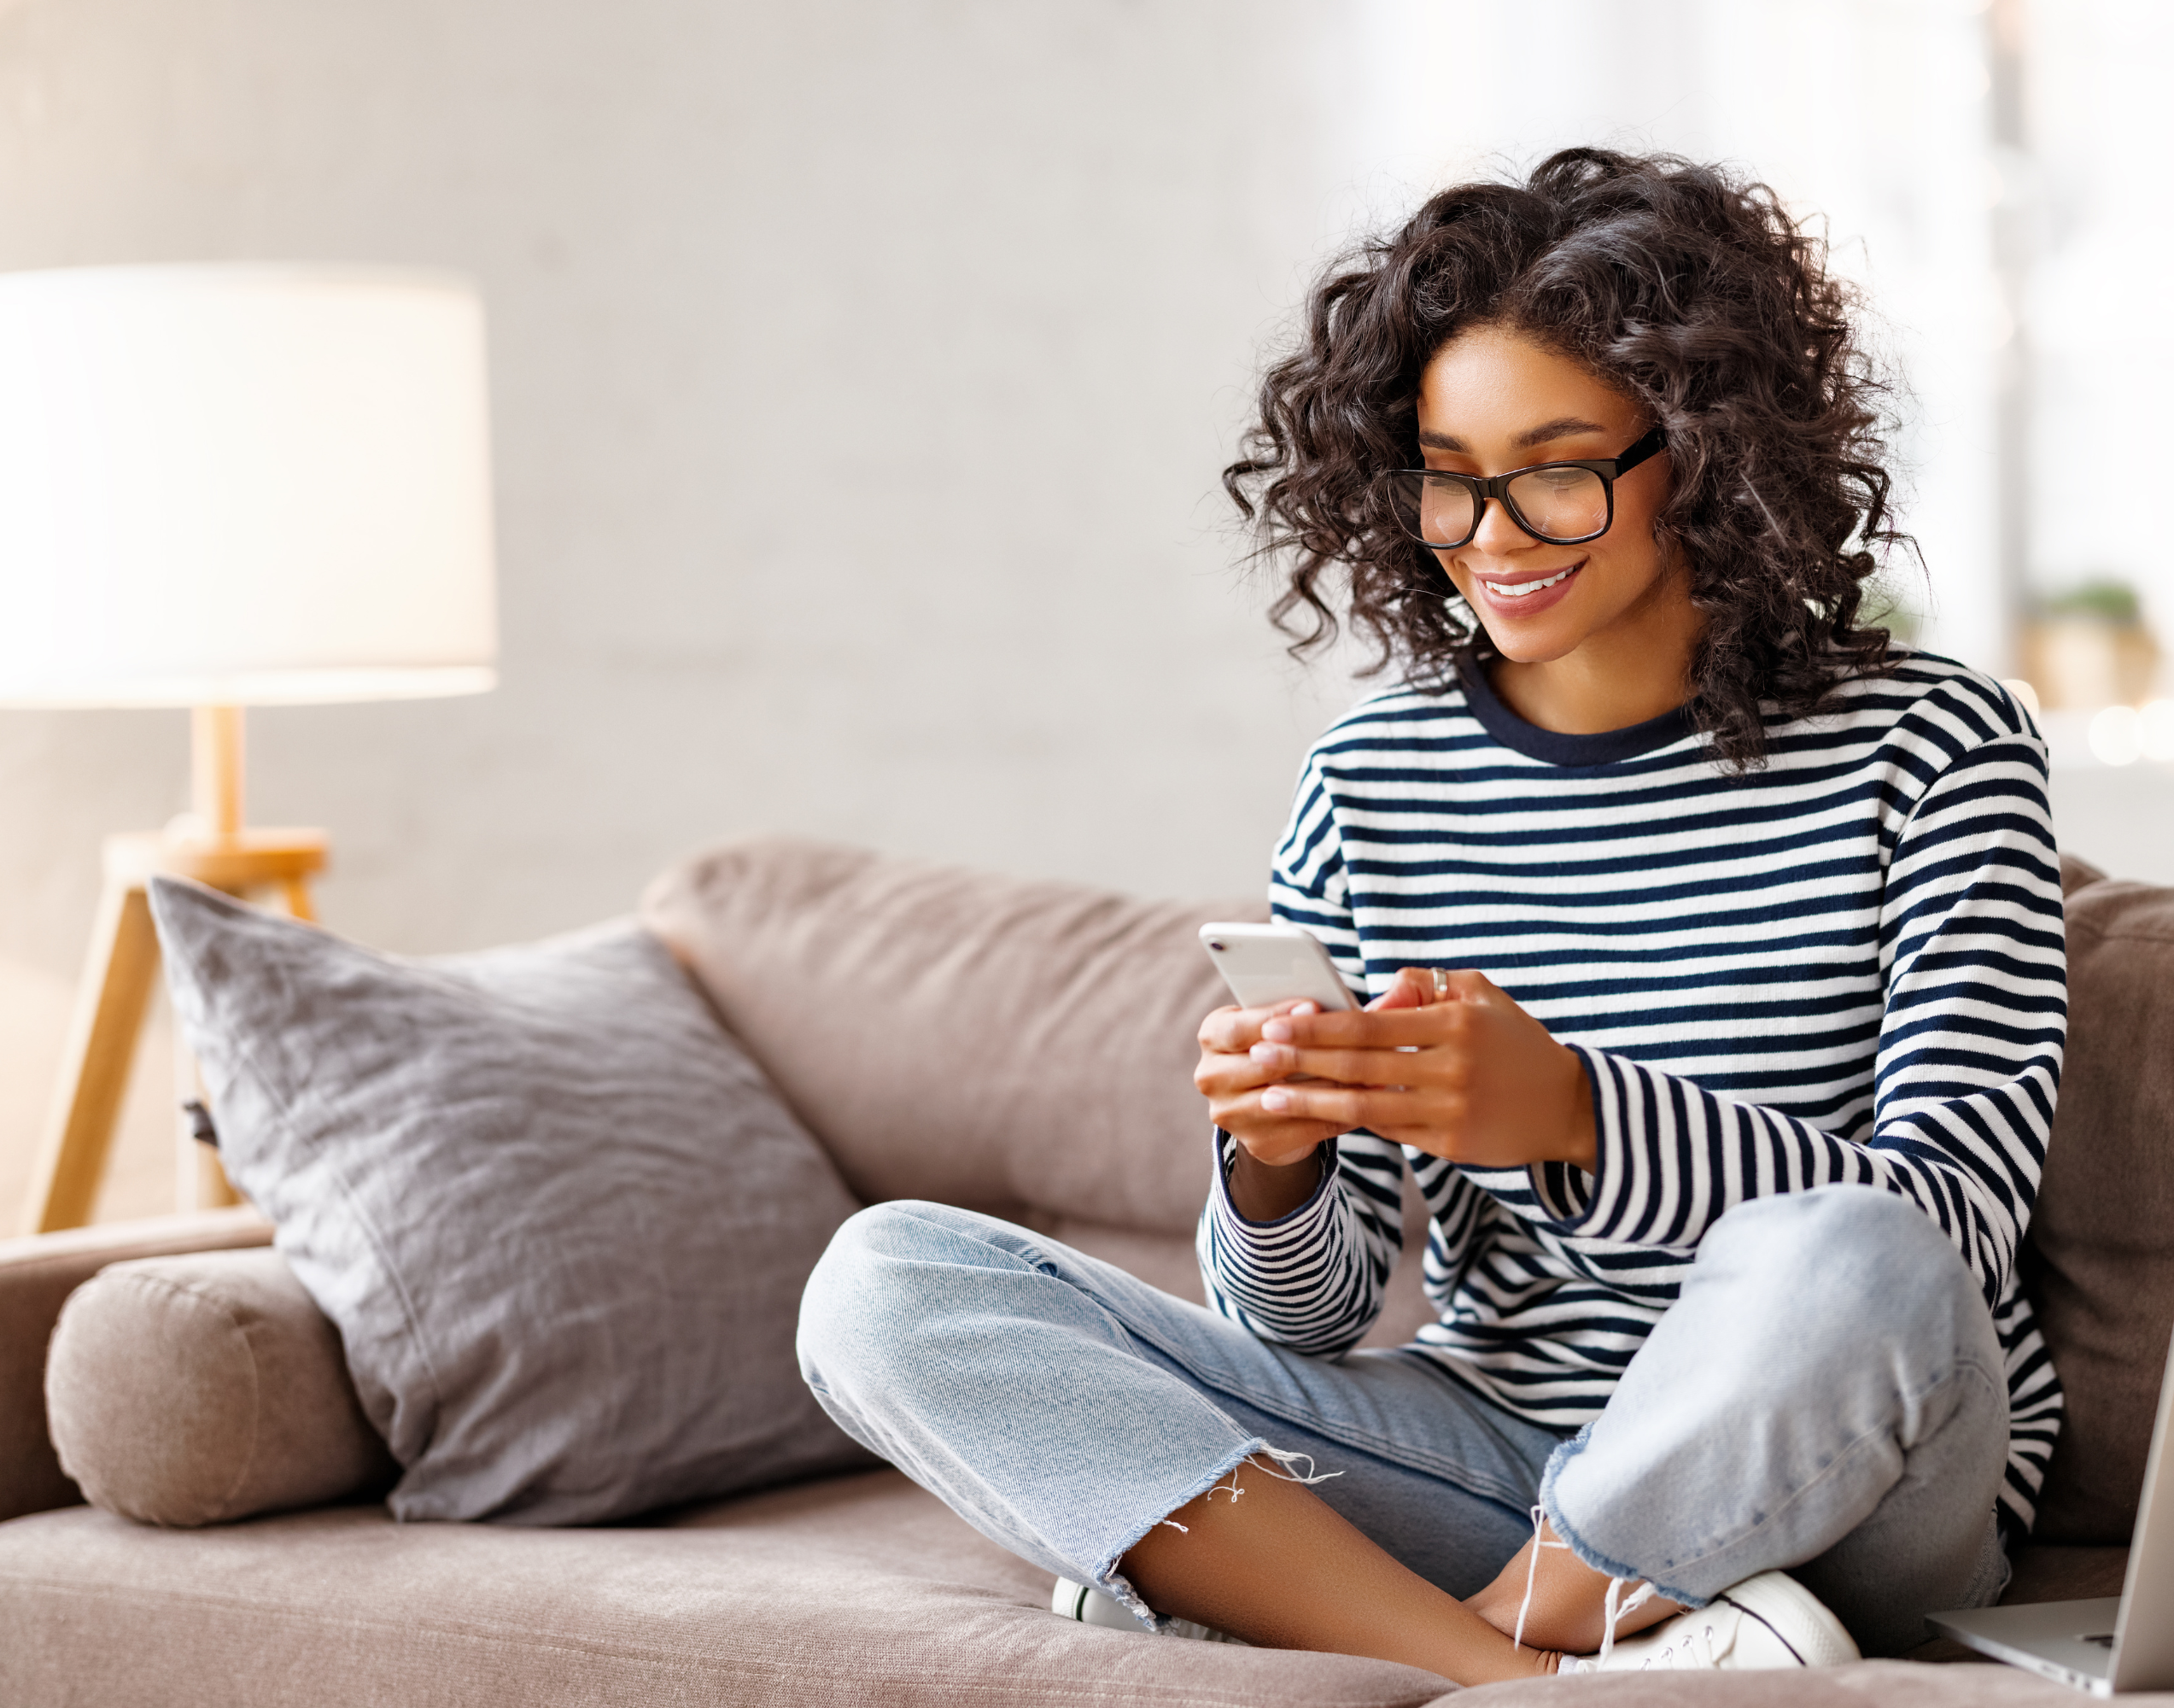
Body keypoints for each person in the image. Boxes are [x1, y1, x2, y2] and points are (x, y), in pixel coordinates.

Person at [796, 148, 2066, 1684]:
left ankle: (1394, 1621)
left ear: (1705, 454)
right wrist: (1275, 1167)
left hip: (1858, 1479)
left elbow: (1951, 1221)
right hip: (1493, 1454)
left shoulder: (1933, 745)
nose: (1491, 531)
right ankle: (1532, 1674)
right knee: (887, 1284)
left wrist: (1576, 1113)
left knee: (1851, 1250)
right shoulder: (1371, 778)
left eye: (1555, 464)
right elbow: (1315, 1321)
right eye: (1446, 471)